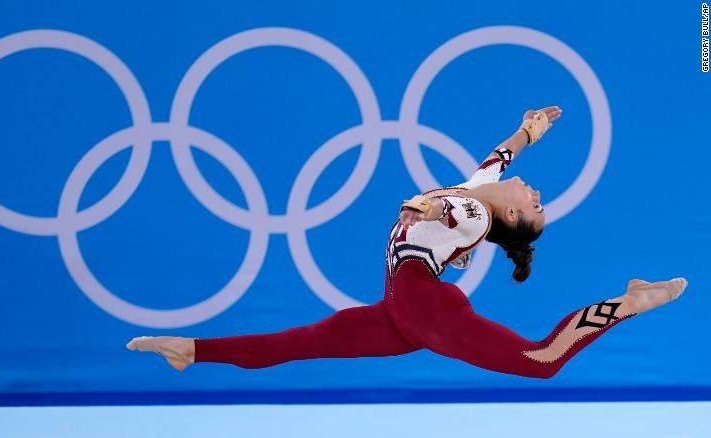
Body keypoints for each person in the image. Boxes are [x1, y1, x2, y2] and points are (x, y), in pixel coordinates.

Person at [127, 106, 687, 378]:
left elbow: (451, 209)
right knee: (297, 342)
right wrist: (530, 130)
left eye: (536, 205)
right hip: (403, 309)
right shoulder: (481, 191)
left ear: (511, 213)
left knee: (540, 360)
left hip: (424, 304)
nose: (537, 192)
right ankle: (192, 349)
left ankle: (631, 301)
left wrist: (425, 207)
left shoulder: (469, 210)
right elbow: (499, 159)